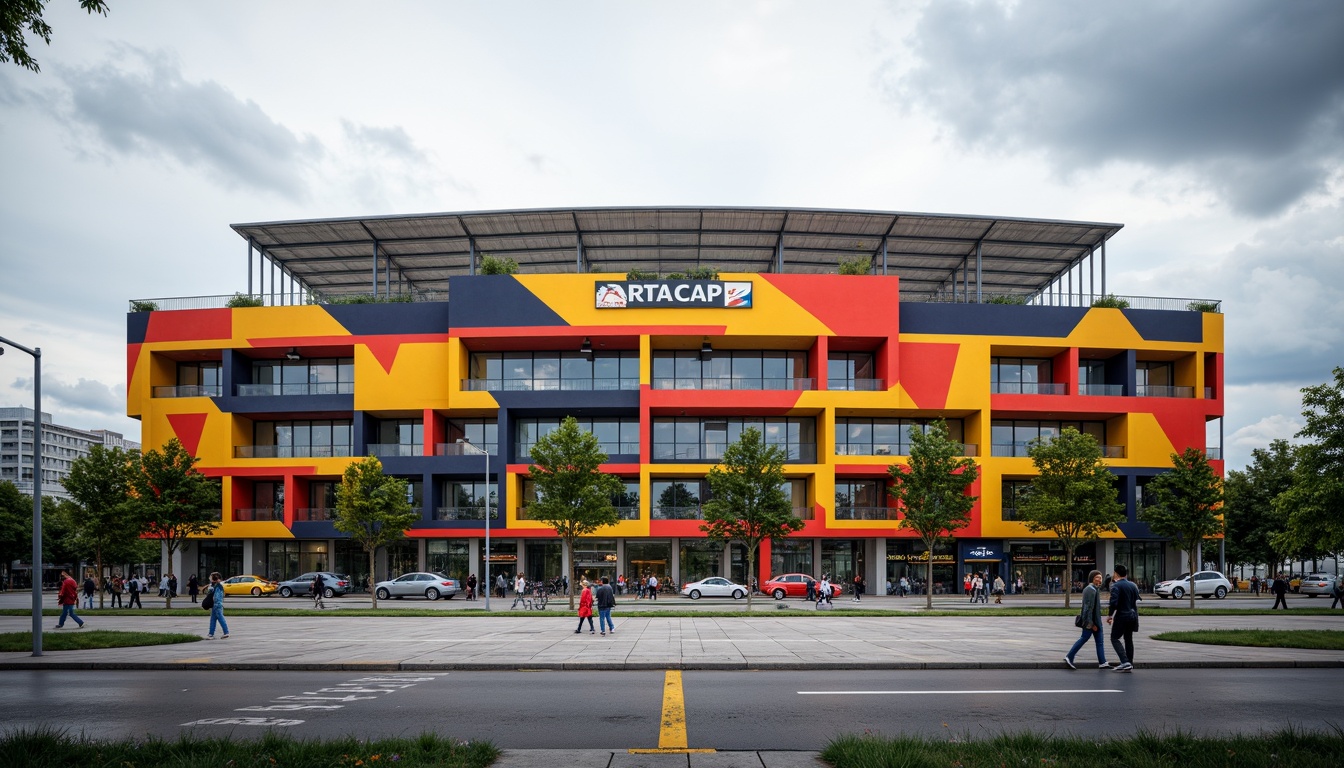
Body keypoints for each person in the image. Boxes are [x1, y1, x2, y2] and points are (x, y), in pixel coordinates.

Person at [1064, 570, 1111, 670]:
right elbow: (1087, 608)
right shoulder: (1090, 590)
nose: (1099, 579)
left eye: (1100, 577)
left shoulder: (1094, 589)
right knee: (1084, 638)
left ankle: (1102, 662)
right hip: (1091, 622)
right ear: (1092, 578)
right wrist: (1091, 624)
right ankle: (1069, 656)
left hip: (1096, 622)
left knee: (1099, 642)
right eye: (1097, 577)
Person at [1106, 564, 1140, 672]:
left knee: (1114, 638)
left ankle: (1124, 661)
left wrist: (1110, 615)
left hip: (1122, 616)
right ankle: (1129, 662)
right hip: (1132, 616)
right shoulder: (1133, 585)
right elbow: (1136, 599)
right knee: (1128, 639)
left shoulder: (1116, 586)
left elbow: (1114, 603)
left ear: (1116, 573)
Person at [205, 572, 229, 639]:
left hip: (217, 605)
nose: (209, 577)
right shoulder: (215, 585)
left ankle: (226, 632)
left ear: (214, 578)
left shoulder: (217, 586)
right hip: (215, 605)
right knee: (213, 619)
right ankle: (211, 634)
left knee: (220, 618)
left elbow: (216, 597)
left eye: (211, 576)